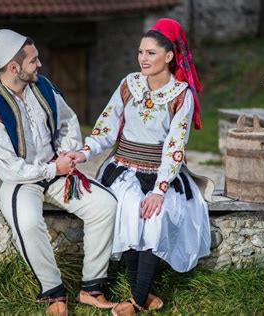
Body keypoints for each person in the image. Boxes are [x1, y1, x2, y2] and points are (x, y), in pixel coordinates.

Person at [68, 18, 211, 315]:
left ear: (169, 56)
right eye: (140, 52)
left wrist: (160, 190)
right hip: (123, 168)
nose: (143, 59)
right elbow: (106, 128)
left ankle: (134, 301)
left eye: (151, 53)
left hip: (162, 172)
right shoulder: (128, 84)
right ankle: (141, 297)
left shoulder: (181, 94)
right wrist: (83, 152)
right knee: (129, 208)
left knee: (155, 216)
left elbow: (175, 146)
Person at [0, 29, 118, 316]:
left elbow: (68, 121)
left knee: (106, 205)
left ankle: (92, 288)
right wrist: (54, 167)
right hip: (13, 182)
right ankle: (53, 292)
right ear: (14, 68)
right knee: (26, 221)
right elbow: (9, 168)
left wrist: (67, 151)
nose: (39, 65)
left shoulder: (43, 87)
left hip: (55, 171)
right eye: (33, 61)